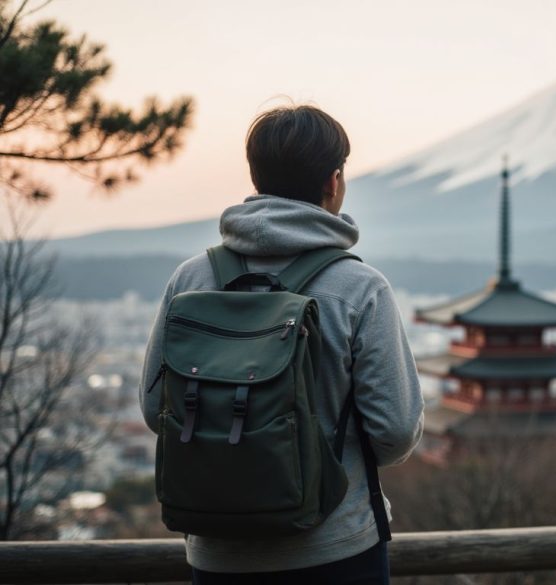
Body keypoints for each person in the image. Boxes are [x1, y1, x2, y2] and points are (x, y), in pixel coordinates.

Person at [139, 104, 424, 584]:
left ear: (256, 178)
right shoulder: (359, 288)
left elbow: (155, 411)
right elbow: (395, 432)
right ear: (333, 181)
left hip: (218, 552)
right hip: (336, 549)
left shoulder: (191, 279)